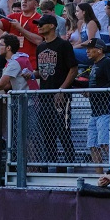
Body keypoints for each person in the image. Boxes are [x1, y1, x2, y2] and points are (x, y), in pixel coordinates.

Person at [33, 13, 77, 165]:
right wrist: (30, 74)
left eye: (41, 24)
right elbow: (41, 71)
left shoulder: (63, 45)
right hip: (45, 96)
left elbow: (73, 69)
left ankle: (70, 164)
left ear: (52, 25)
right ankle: (51, 163)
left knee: (63, 131)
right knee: (47, 133)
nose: (38, 26)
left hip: (61, 98)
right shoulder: (40, 47)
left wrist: (62, 90)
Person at [83, 38, 110, 166]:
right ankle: (99, 177)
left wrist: (93, 92)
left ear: (100, 50)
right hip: (95, 112)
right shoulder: (95, 65)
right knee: (92, 146)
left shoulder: (107, 63)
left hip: (106, 111)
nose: (87, 51)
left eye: (90, 48)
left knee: (105, 144)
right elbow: (93, 85)